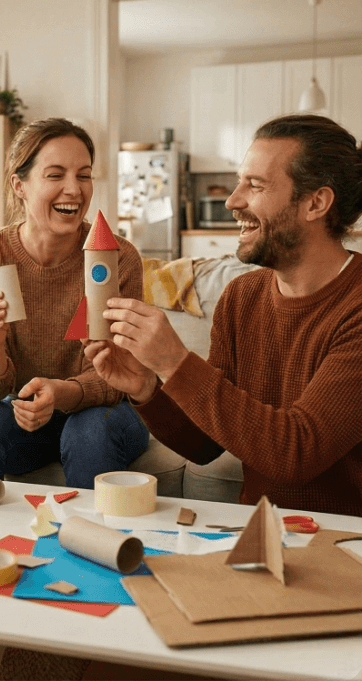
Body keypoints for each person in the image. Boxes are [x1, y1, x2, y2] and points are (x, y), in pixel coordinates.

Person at [88, 114, 362, 516]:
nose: (233, 201)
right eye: (239, 182)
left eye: (256, 185)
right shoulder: (242, 297)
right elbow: (205, 444)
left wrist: (175, 362)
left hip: (343, 537)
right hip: (258, 528)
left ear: (316, 203)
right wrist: (147, 386)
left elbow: (296, 453)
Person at [0, 118, 149, 489]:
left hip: (102, 414)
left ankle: (93, 528)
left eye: (84, 175)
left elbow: (120, 378)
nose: (74, 189)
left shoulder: (116, 258)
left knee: (89, 430)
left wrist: (61, 393)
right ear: (19, 185)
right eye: (55, 175)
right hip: (23, 414)